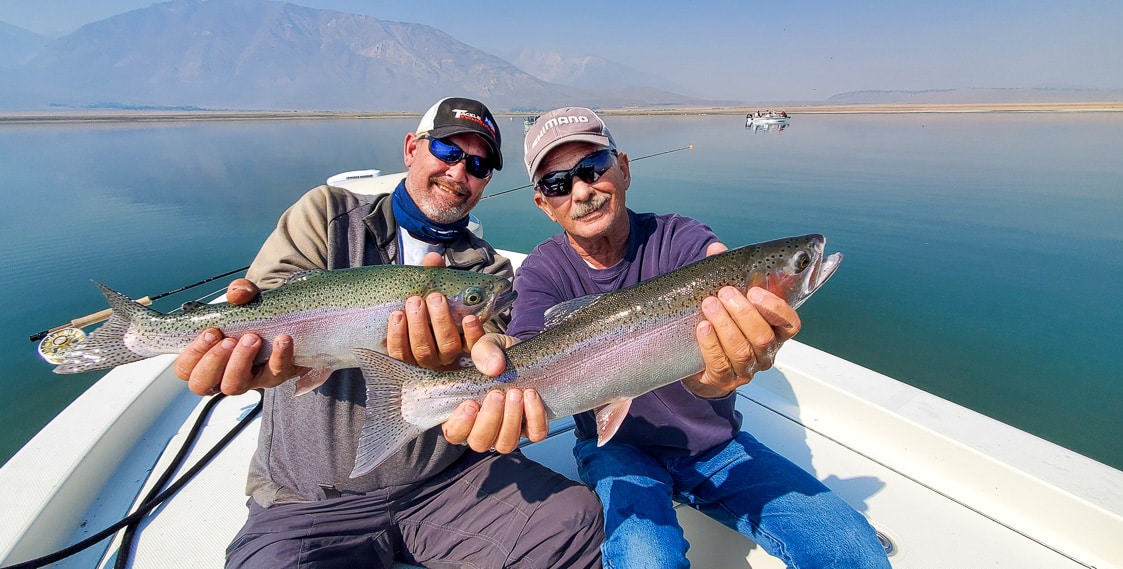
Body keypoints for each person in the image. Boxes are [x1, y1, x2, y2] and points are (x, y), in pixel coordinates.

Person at [174, 97, 603, 569]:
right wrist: (254, 361)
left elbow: (498, 349)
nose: (460, 172)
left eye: (479, 164)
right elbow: (271, 298)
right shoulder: (326, 215)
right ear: (410, 148)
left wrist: (476, 357)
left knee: (577, 524)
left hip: (449, 484)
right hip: (309, 500)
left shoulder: (488, 272)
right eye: (448, 150)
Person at [471, 107, 890, 568]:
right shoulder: (543, 271)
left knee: (854, 551)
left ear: (624, 168)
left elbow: (716, 262)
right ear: (543, 204)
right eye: (558, 183)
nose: (582, 190)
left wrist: (722, 376)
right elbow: (526, 348)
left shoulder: (682, 237)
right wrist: (487, 374)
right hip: (616, 451)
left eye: (593, 167)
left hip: (715, 447)